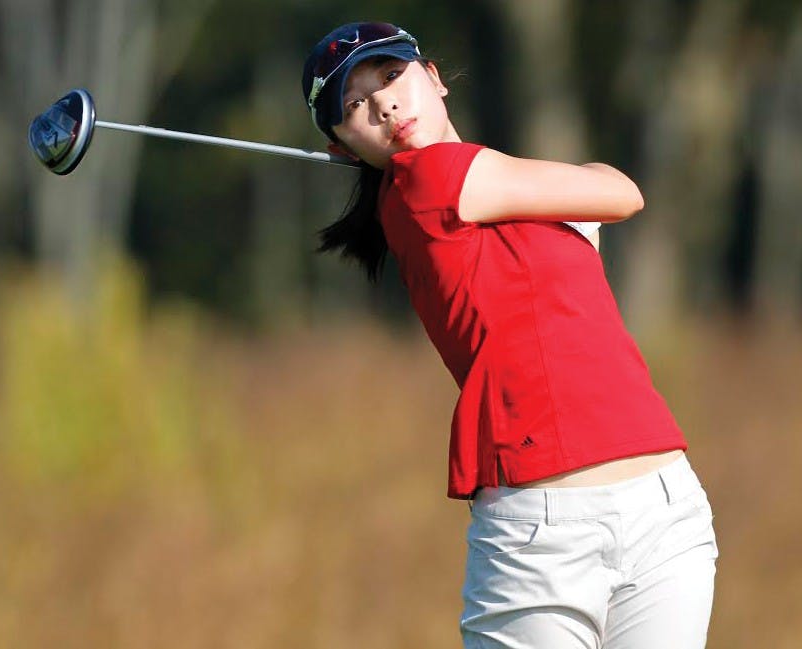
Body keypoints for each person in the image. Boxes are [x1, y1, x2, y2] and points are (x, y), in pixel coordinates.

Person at [301, 21, 719, 649]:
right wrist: (579, 186)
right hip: (543, 536)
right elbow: (622, 192)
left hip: (663, 506)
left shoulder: (483, 186)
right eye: (355, 104)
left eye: (390, 77)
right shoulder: (431, 179)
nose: (384, 105)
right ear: (341, 146)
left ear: (434, 78)